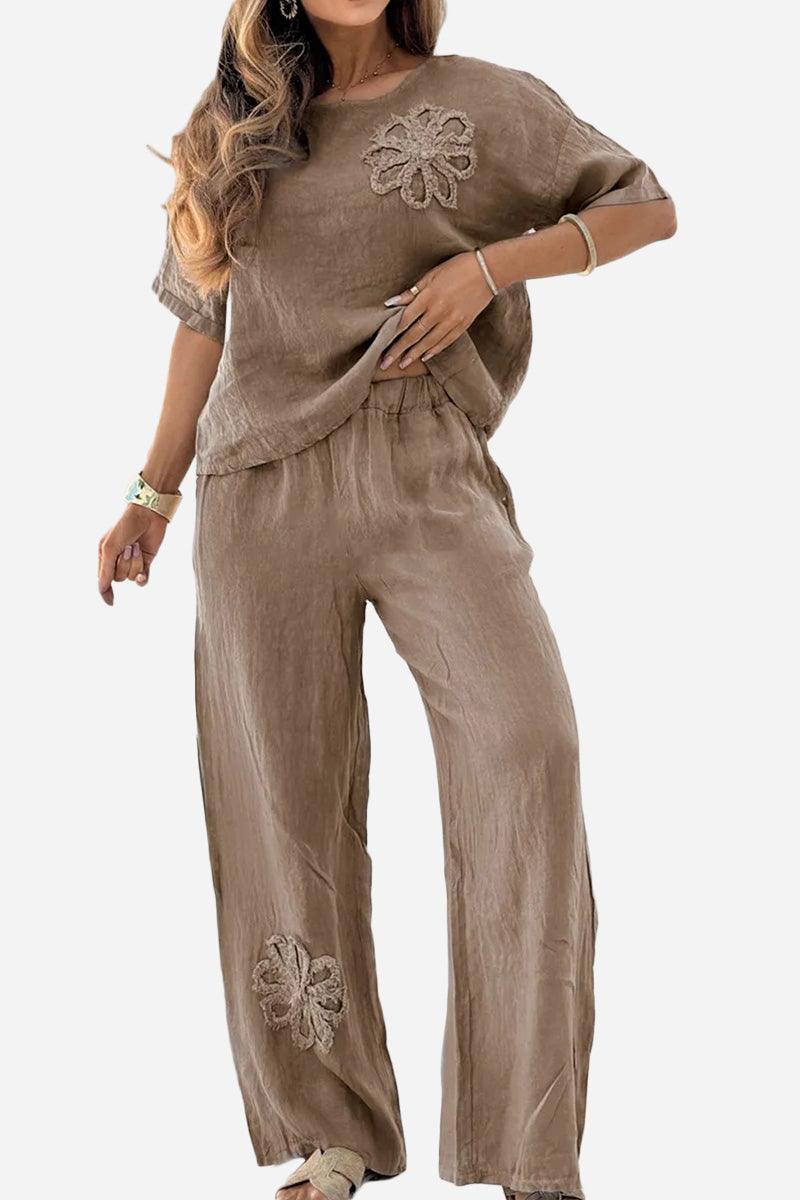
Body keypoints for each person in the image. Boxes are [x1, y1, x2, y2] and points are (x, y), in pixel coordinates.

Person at [97, 3, 676, 1198]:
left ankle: (528, 1149)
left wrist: (488, 267)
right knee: (284, 806)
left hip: (424, 467)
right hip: (259, 492)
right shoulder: (233, 128)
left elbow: (642, 204)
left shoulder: (478, 97)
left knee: (526, 747)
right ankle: (332, 1136)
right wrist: (151, 491)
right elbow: (203, 322)